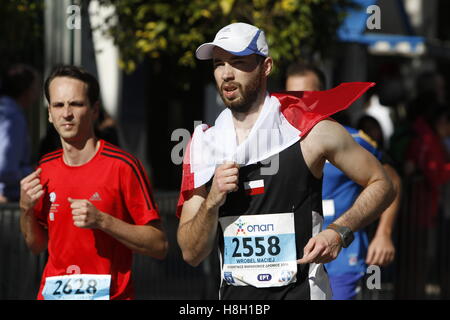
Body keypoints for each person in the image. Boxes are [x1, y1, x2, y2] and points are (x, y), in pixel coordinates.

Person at [176, 22, 394, 300]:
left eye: (239, 62)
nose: (226, 74)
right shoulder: (204, 146)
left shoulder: (310, 132)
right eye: (219, 64)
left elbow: (383, 183)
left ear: (266, 66)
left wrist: (339, 232)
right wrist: (212, 201)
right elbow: (191, 253)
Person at [19, 65, 168, 300]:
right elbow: (36, 246)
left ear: (94, 109)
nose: (66, 113)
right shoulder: (44, 168)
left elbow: (159, 245)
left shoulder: (123, 166)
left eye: (76, 104)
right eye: (58, 105)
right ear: (49, 113)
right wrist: (25, 210)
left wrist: (102, 220)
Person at [286, 62, 400, 299]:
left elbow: (391, 181)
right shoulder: (276, 143)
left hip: (340, 257)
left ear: (324, 95)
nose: (300, 103)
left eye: (308, 95)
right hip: (292, 256)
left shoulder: (351, 140)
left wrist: (384, 234)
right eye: (292, 96)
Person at [0, 64, 39, 203]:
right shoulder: (13, 117)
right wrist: (33, 172)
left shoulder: (5, 111)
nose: (37, 93)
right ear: (25, 90)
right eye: (35, 87)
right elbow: (6, 169)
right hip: (7, 197)